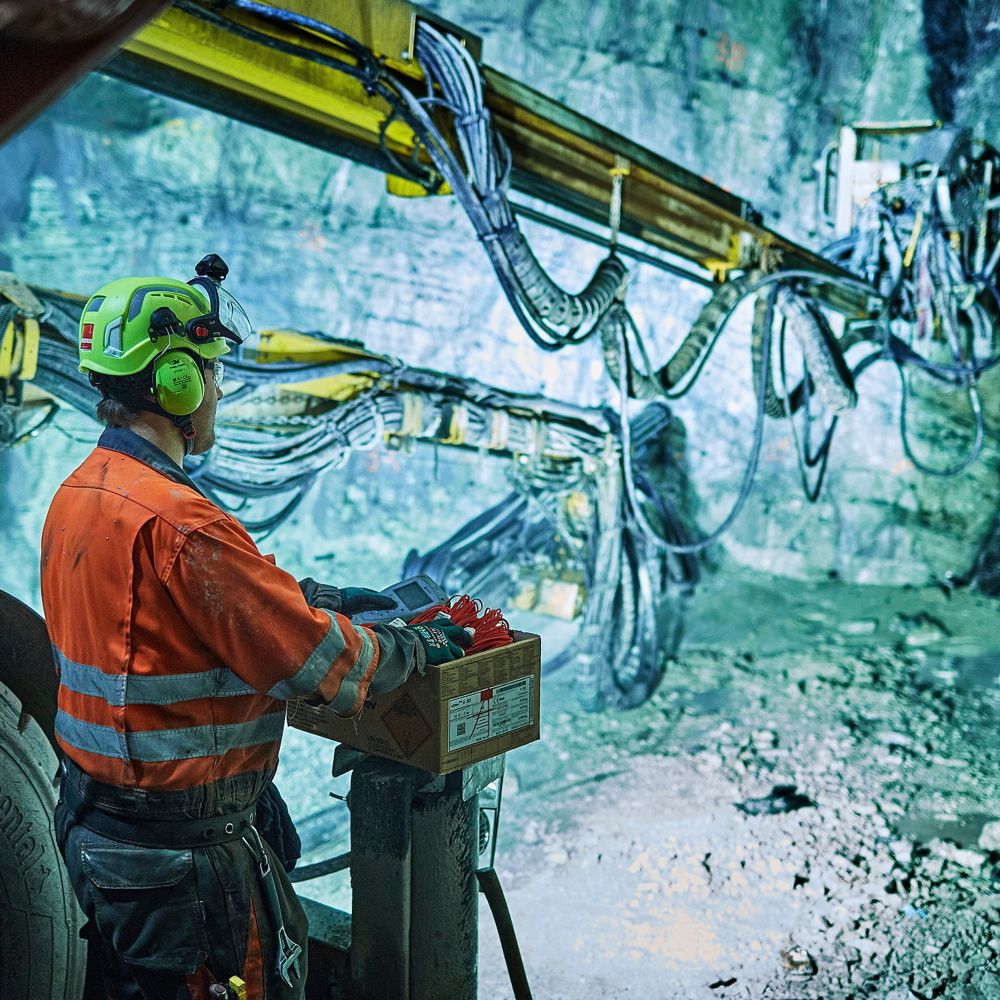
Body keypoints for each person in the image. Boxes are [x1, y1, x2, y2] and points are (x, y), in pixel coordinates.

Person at [40, 255, 473, 999]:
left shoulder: (77, 495)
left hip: (96, 832)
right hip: (182, 863)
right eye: (211, 372)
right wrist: (417, 643)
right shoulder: (183, 523)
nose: (217, 391)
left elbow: (153, 624)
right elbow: (324, 669)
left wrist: (307, 594)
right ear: (174, 381)